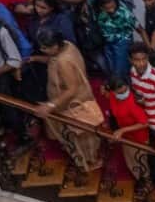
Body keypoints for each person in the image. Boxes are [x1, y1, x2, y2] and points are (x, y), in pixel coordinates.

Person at [35, 27, 105, 172]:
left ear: (55, 46)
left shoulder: (63, 62)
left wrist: (51, 105)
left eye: (45, 48)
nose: (42, 50)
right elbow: (52, 59)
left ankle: (91, 161)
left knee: (82, 136)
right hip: (73, 100)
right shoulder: (67, 45)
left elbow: (71, 89)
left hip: (73, 104)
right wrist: (35, 59)